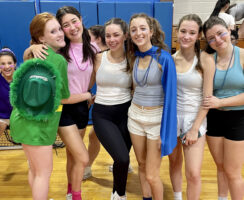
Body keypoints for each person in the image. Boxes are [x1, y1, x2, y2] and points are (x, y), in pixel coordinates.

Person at [24, 6, 99, 200]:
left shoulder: (92, 47)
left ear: (81, 19)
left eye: (74, 21)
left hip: (82, 107)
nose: (72, 27)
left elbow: (92, 76)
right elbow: (28, 58)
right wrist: (31, 47)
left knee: (75, 156)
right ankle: (75, 194)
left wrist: (88, 93)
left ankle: (71, 192)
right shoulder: (58, 49)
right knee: (81, 157)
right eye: (65, 25)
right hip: (63, 109)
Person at [10, 12, 70, 200]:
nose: (60, 33)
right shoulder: (58, 60)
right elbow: (64, 96)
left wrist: (32, 48)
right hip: (39, 125)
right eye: (53, 31)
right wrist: (85, 95)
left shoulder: (32, 56)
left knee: (35, 169)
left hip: (20, 120)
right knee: (43, 173)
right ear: (41, 38)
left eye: (60, 29)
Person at [127, 13, 177, 200]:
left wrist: (166, 132)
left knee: (151, 174)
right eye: (133, 30)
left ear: (151, 31)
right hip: (135, 117)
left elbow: (171, 98)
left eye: (142, 28)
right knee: (140, 164)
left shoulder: (164, 58)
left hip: (156, 120)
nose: (138, 33)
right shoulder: (134, 57)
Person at [168, 14, 214, 200]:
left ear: (199, 36)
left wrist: (195, 128)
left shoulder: (205, 60)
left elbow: (207, 98)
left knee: (193, 172)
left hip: (194, 120)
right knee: (174, 164)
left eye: (192, 32)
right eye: (183, 31)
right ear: (177, 32)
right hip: (172, 119)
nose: (186, 36)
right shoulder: (169, 59)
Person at [203, 16, 244, 200]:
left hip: (238, 118)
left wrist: (221, 102)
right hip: (214, 119)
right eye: (211, 38)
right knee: (220, 167)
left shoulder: (242, 55)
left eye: (221, 34)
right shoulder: (209, 59)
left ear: (230, 29)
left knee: (233, 172)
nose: (217, 40)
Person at [92, 18, 132, 200]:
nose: (112, 39)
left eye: (116, 35)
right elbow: (86, 83)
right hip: (103, 114)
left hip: (127, 113)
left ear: (125, 35)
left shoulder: (133, 59)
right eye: (108, 35)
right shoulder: (98, 57)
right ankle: (120, 195)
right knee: (122, 158)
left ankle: (117, 192)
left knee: (122, 160)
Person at [0, 47, 16, 135]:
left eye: (10, 63)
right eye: (2, 64)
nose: (6, 67)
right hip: (2, 118)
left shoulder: (21, 79)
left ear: (15, 64)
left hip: (19, 118)